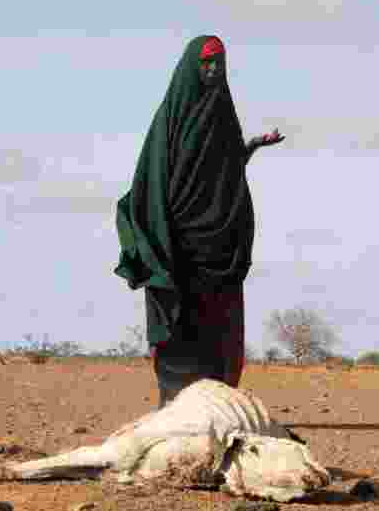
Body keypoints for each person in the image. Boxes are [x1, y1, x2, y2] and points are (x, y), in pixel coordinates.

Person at [114, 35, 284, 409]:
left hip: (219, 243)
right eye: (206, 64)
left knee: (216, 323)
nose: (212, 71)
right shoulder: (171, 116)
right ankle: (174, 403)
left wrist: (250, 147)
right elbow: (151, 177)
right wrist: (157, 232)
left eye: (219, 65)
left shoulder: (223, 113)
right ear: (191, 66)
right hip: (179, 240)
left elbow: (222, 171)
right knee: (181, 321)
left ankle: (218, 403)